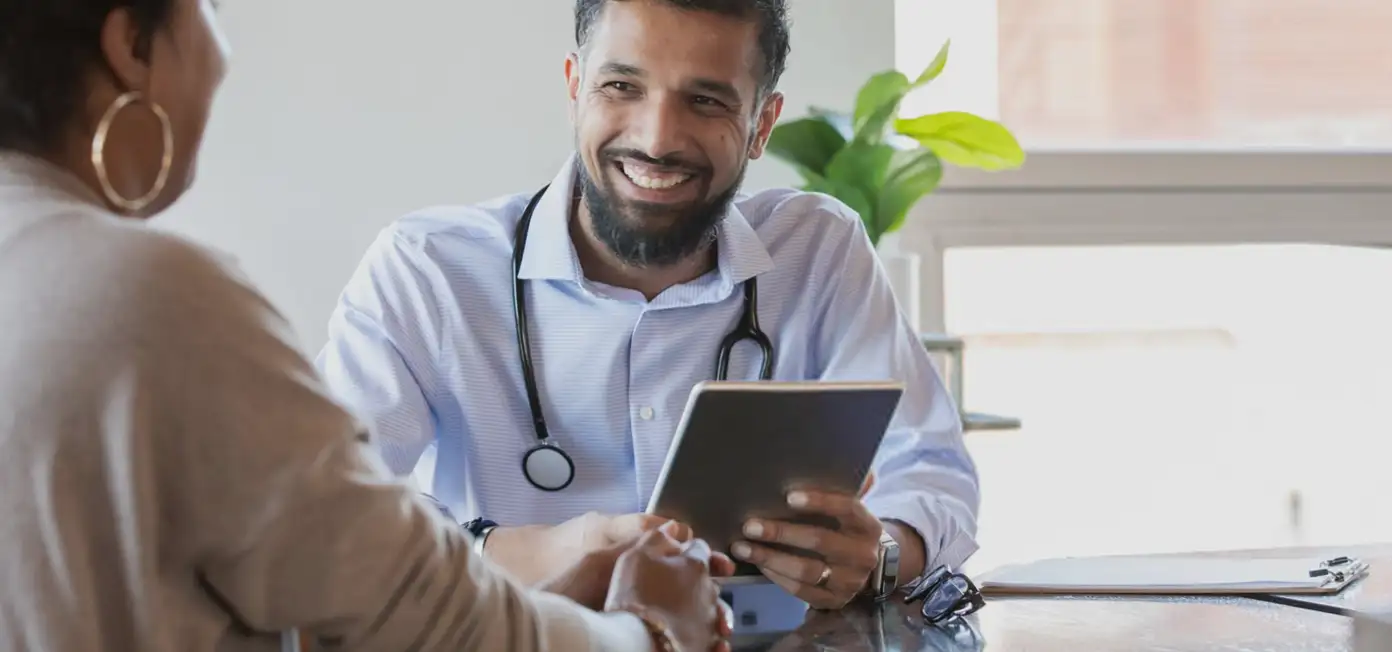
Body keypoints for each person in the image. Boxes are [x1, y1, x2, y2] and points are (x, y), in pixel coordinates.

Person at [0, 1, 734, 650]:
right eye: (212, 14)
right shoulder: (153, 296)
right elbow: (412, 613)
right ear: (131, 41)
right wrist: (647, 628)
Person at [316, 0, 981, 612]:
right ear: (576, 87)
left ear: (760, 124)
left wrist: (882, 551)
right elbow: (329, 508)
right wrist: (514, 552)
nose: (658, 138)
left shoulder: (818, 251)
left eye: (705, 100)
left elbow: (931, 472)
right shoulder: (428, 268)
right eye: (621, 87)